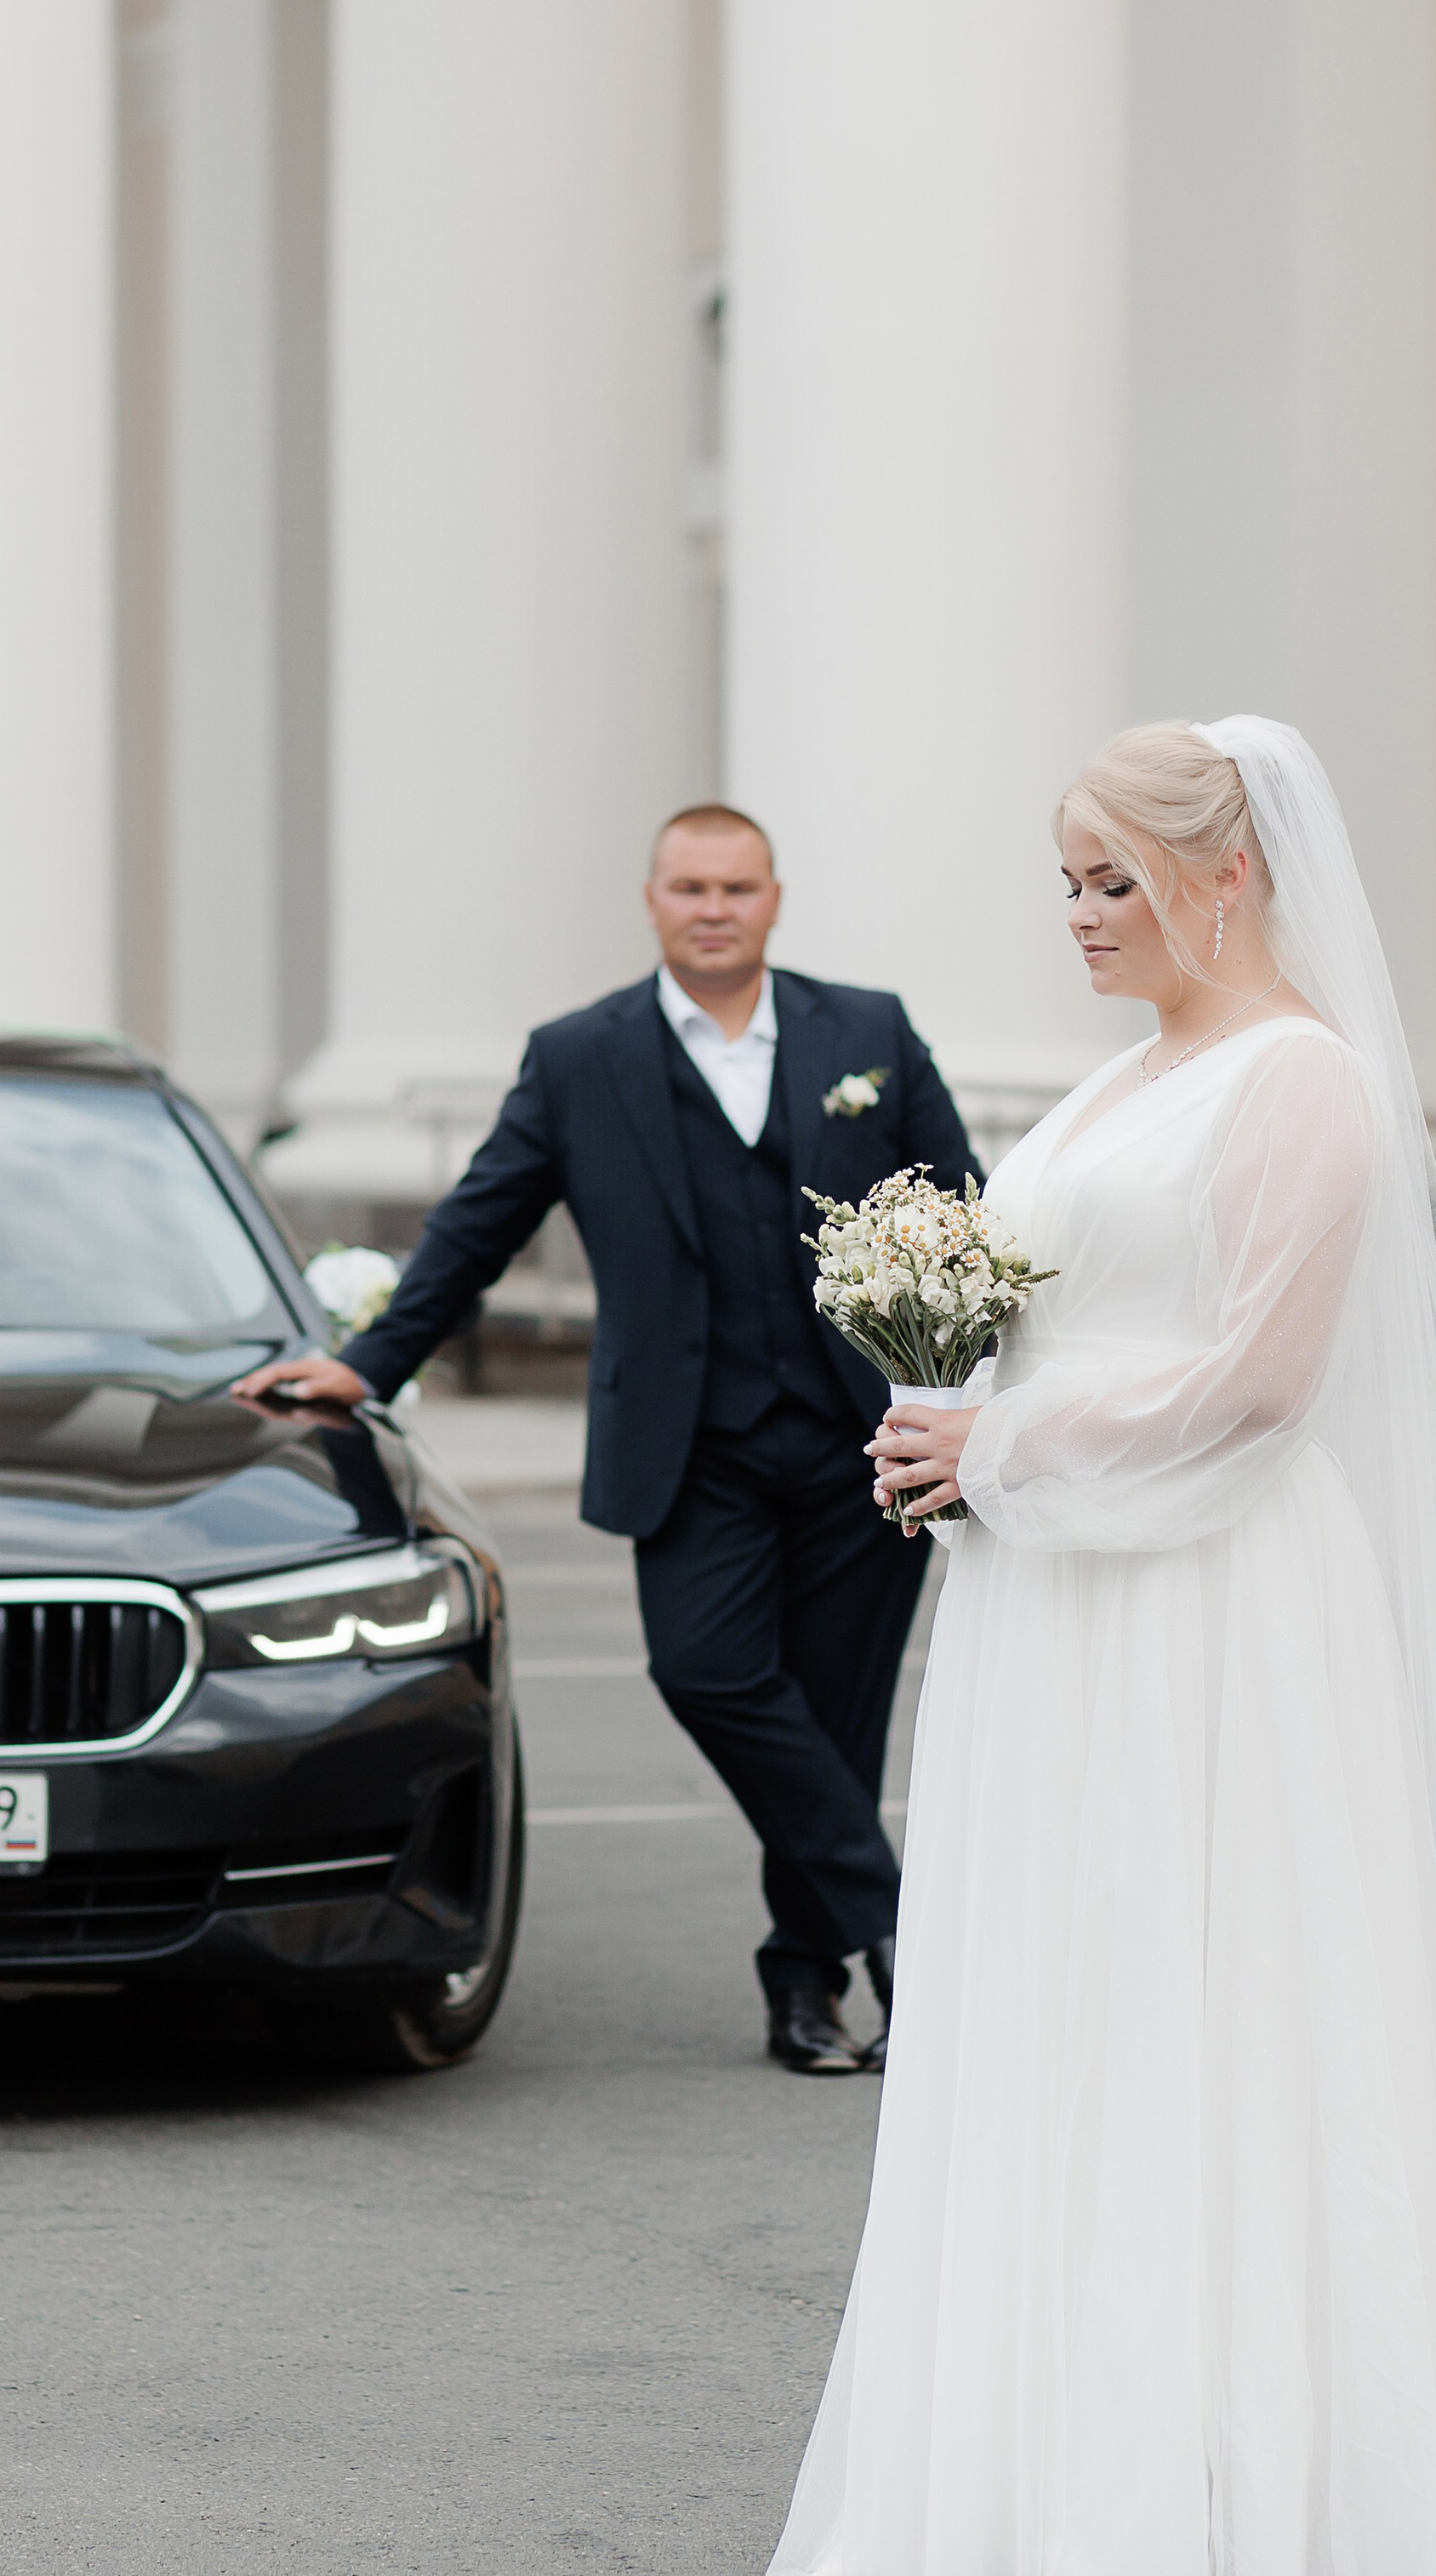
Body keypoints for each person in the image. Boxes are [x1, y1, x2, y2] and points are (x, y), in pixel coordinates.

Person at [768, 719, 1436, 2576]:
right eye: (1062, 882)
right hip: (1058, 1595)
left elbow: (1257, 1377)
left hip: (1213, 1602)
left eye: (1107, 880)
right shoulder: (1113, 1084)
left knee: (1208, 1999)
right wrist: (955, 1411)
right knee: (1063, 2005)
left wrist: (994, 1446)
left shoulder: (1301, 1082)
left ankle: (1243, 2492)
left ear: (1222, 876)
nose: (1076, 916)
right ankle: (1036, 2466)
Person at [234, 803, 978, 2075]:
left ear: (774, 900)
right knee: (709, 1674)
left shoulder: (869, 1031)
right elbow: (481, 1221)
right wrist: (369, 1364)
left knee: (840, 1722)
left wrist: (971, 1389)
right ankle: (897, 1924)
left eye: (737, 887)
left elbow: (955, 1211)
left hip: (867, 1431)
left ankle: (803, 1988)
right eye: (689, 886)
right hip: (691, 1444)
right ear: (652, 901)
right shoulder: (582, 1055)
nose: (713, 907)